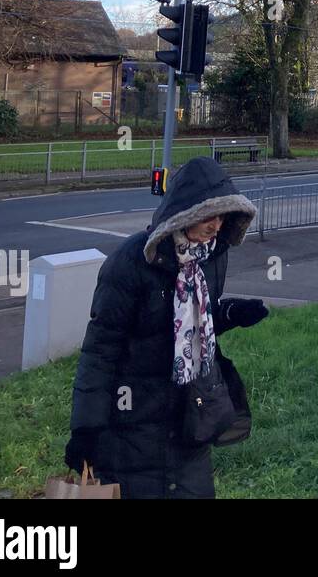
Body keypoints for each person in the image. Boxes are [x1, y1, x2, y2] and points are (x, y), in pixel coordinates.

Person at [64, 156, 268, 498]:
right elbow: (100, 350)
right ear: (183, 213)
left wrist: (229, 314)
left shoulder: (211, 256)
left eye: (221, 216)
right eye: (207, 215)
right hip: (134, 419)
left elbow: (191, 325)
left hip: (191, 412)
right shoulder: (129, 264)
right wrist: (86, 428)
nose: (215, 226)